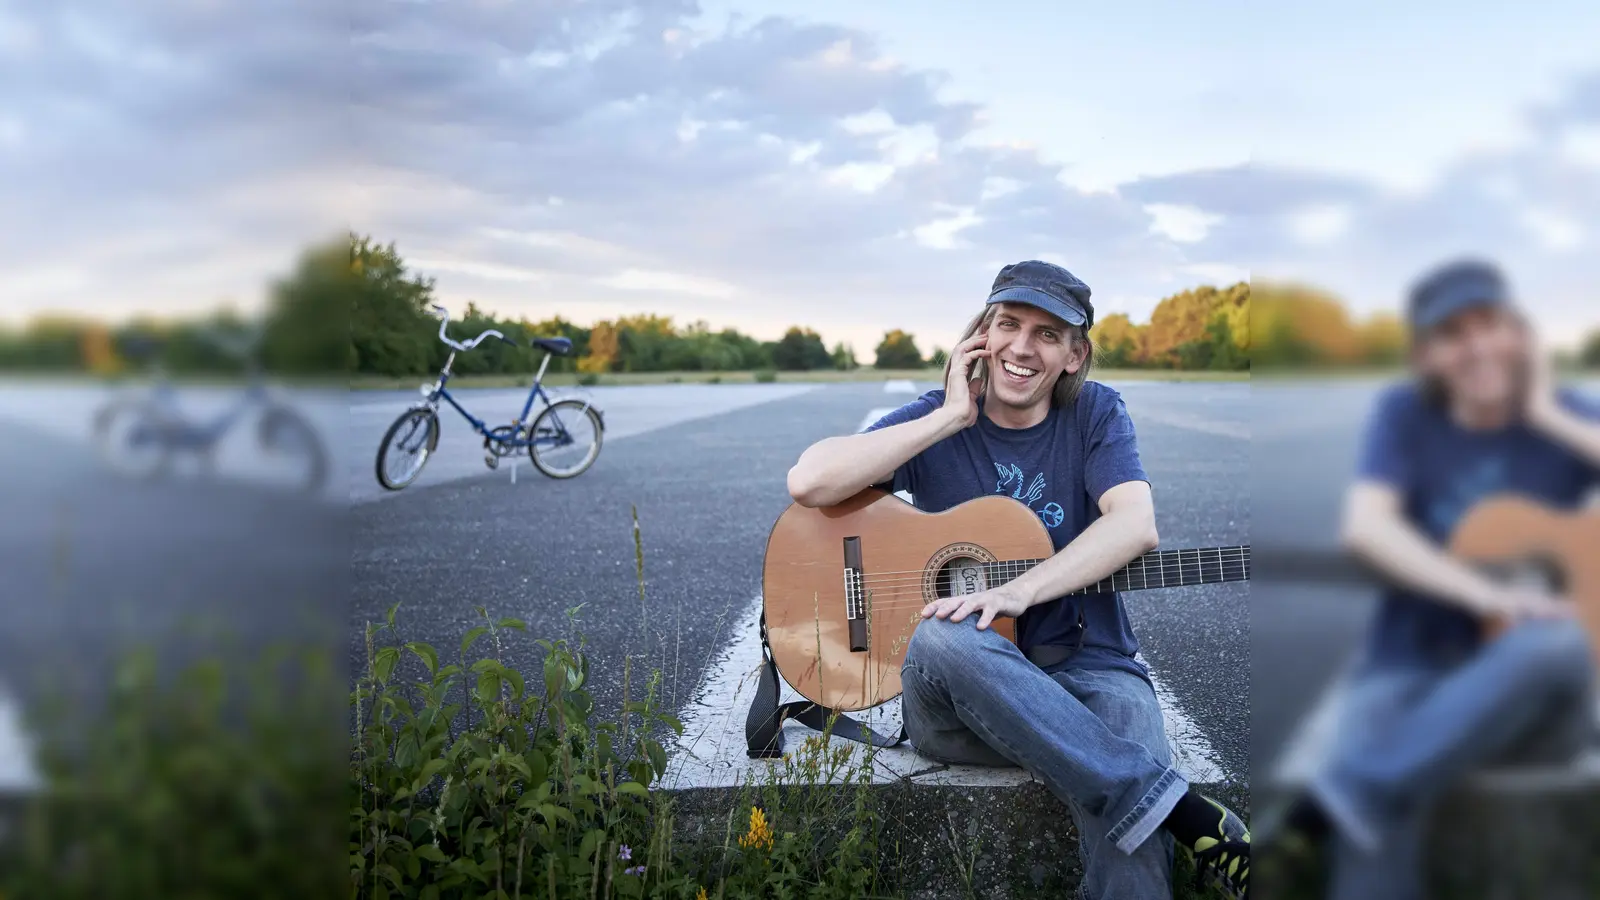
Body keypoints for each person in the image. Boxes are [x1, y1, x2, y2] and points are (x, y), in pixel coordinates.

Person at [786, 260, 1251, 900]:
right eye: (1009, 324)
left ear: (1074, 355)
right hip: (959, 704)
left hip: (1092, 671)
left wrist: (1017, 591)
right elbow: (809, 482)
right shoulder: (941, 417)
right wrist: (950, 416)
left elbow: (1134, 525)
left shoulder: (1095, 413)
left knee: (1124, 721)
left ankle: (1144, 804)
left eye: (1048, 334)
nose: (1023, 348)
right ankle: (1182, 812)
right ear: (982, 334)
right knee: (944, 634)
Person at [1268, 259, 1600, 899]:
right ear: (1425, 357)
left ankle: (1335, 800)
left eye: (1490, 325)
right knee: (1377, 824)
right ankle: (1359, 799)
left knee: (1558, 639)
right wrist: (1487, 593)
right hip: (1406, 662)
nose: (1477, 348)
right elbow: (1368, 527)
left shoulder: (1566, 414)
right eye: (1453, 335)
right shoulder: (1406, 414)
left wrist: (1544, 414)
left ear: (1519, 334)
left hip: (1530, 677)